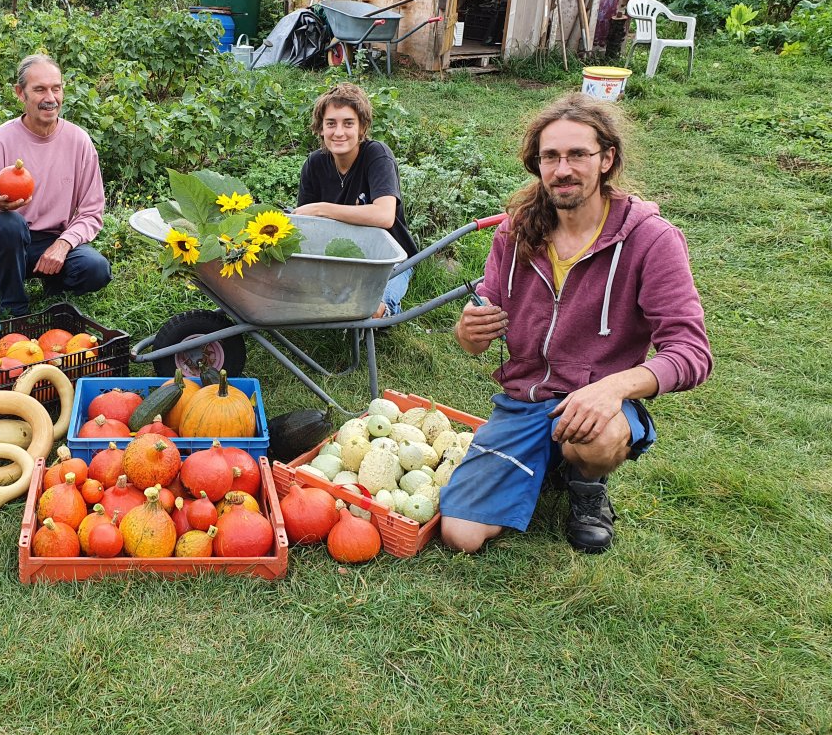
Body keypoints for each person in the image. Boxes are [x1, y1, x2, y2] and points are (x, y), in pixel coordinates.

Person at [441, 93, 712, 554]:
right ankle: (545, 458)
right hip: (526, 400)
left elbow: (691, 352)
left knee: (597, 436)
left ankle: (586, 486)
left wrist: (614, 388)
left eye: (577, 155)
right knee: (460, 535)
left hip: (596, 401)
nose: (562, 169)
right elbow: (479, 330)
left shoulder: (651, 240)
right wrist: (468, 332)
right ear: (538, 164)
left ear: (606, 159)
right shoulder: (515, 231)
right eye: (551, 156)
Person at [0, 54, 111, 316]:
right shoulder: (2, 140)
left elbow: (91, 212)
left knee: (96, 268)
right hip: (5, 240)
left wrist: (64, 244)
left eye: (56, 88)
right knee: (10, 224)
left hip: (52, 238)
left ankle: (52, 282)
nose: (50, 98)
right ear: (20, 93)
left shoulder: (78, 141)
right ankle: (15, 307)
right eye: (39, 89)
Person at [292, 82, 418, 318]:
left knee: (374, 308)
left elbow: (384, 215)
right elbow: (306, 227)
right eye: (331, 123)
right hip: (340, 256)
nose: (339, 132)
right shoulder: (315, 164)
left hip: (390, 258)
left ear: (362, 128)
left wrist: (322, 209)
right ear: (320, 128)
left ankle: (385, 310)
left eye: (348, 123)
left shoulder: (376, 155)